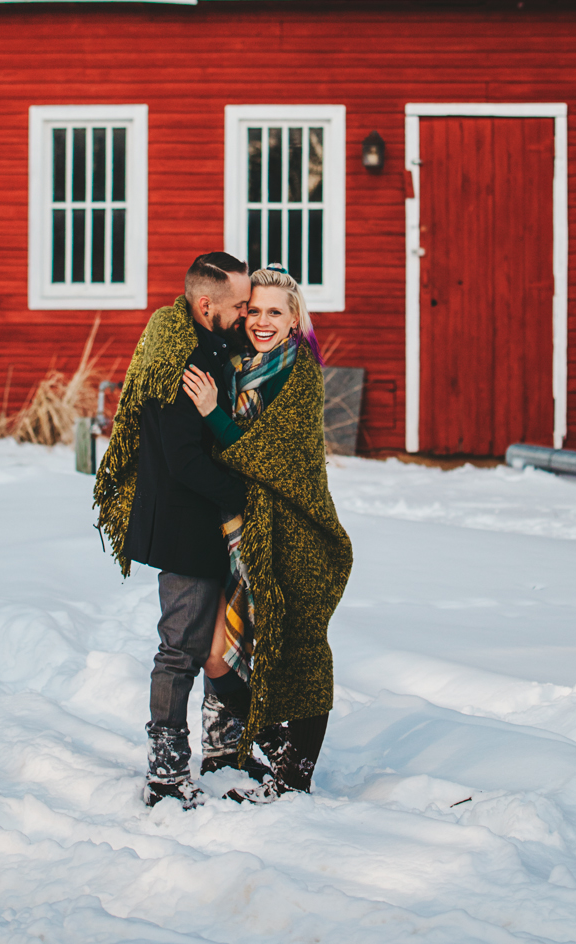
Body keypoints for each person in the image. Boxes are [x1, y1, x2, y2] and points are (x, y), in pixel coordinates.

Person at [181, 266, 353, 799]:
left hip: (298, 530)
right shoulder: (238, 368)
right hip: (250, 533)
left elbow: (272, 458)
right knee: (219, 657)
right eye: (253, 310)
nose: (260, 320)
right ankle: (282, 758)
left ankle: (294, 779)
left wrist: (213, 415)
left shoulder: (298, 374)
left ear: (294, 319)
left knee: (300, 653)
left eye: (274, 312)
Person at [94, 251, 253, 807]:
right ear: (204, 304)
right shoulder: (178, 359)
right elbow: (184, 460)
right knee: (181, 648)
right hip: (188, 529)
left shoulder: (217, 346)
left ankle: (222, 745)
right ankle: (165, 767)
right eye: (238, 305)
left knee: (225, 641)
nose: (246, 314)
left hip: (216, 524)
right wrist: (248, 492)